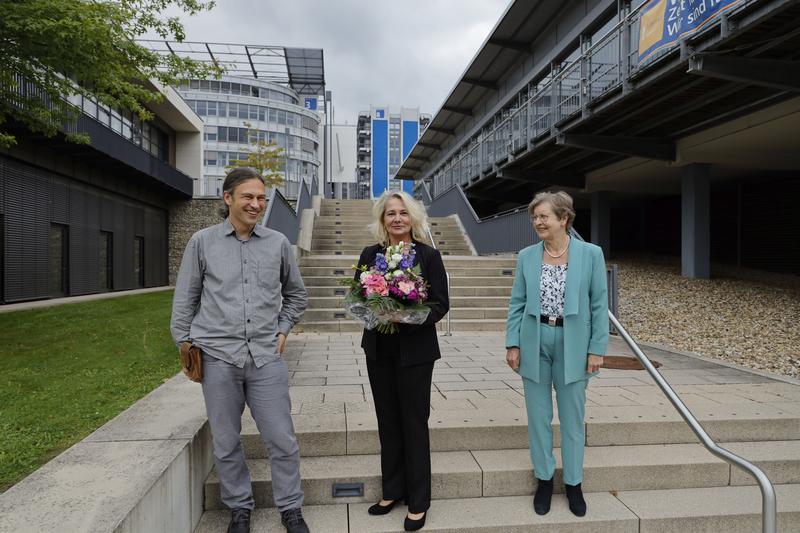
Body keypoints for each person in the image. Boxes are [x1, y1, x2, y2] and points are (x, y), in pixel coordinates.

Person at [171, 167, 310, 533]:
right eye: (248, 196)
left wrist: (283, 328)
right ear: (227, 198)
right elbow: (185, 299)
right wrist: (186, 345)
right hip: (217, 358)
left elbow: (296, 295)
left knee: (282, 438)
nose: (256, 204)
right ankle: (239, 510)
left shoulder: (278, 243)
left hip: (266, 358)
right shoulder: (202, 242)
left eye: (261, 198)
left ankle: (291, 509)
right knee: (227, 440)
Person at [505, 190, 608, 517]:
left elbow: (599, 305)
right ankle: (545, 480)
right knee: (538, 418)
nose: (537, 222)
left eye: (543, 216)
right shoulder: (526, 256)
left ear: (563, 218)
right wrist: (512, 342)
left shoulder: (591, 254)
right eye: (535, 217)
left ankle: (574, 483)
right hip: (534, 338)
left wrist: (597, 349)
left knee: (572, 419)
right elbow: (517, 303)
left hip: (574, 343)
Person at [355, 190, 449, 531]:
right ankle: (392, 490)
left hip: (416, 352)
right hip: (379, 349)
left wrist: (406, 317)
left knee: (413, 421)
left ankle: (419, 500)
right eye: (390, 213)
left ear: (413, 218)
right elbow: (357, 296)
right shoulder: (370, 254)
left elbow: (440, 304)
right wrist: (375, 309)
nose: (397, 219)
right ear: (383, 219)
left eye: (403, 213)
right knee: (387, 421)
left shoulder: (429, 256)